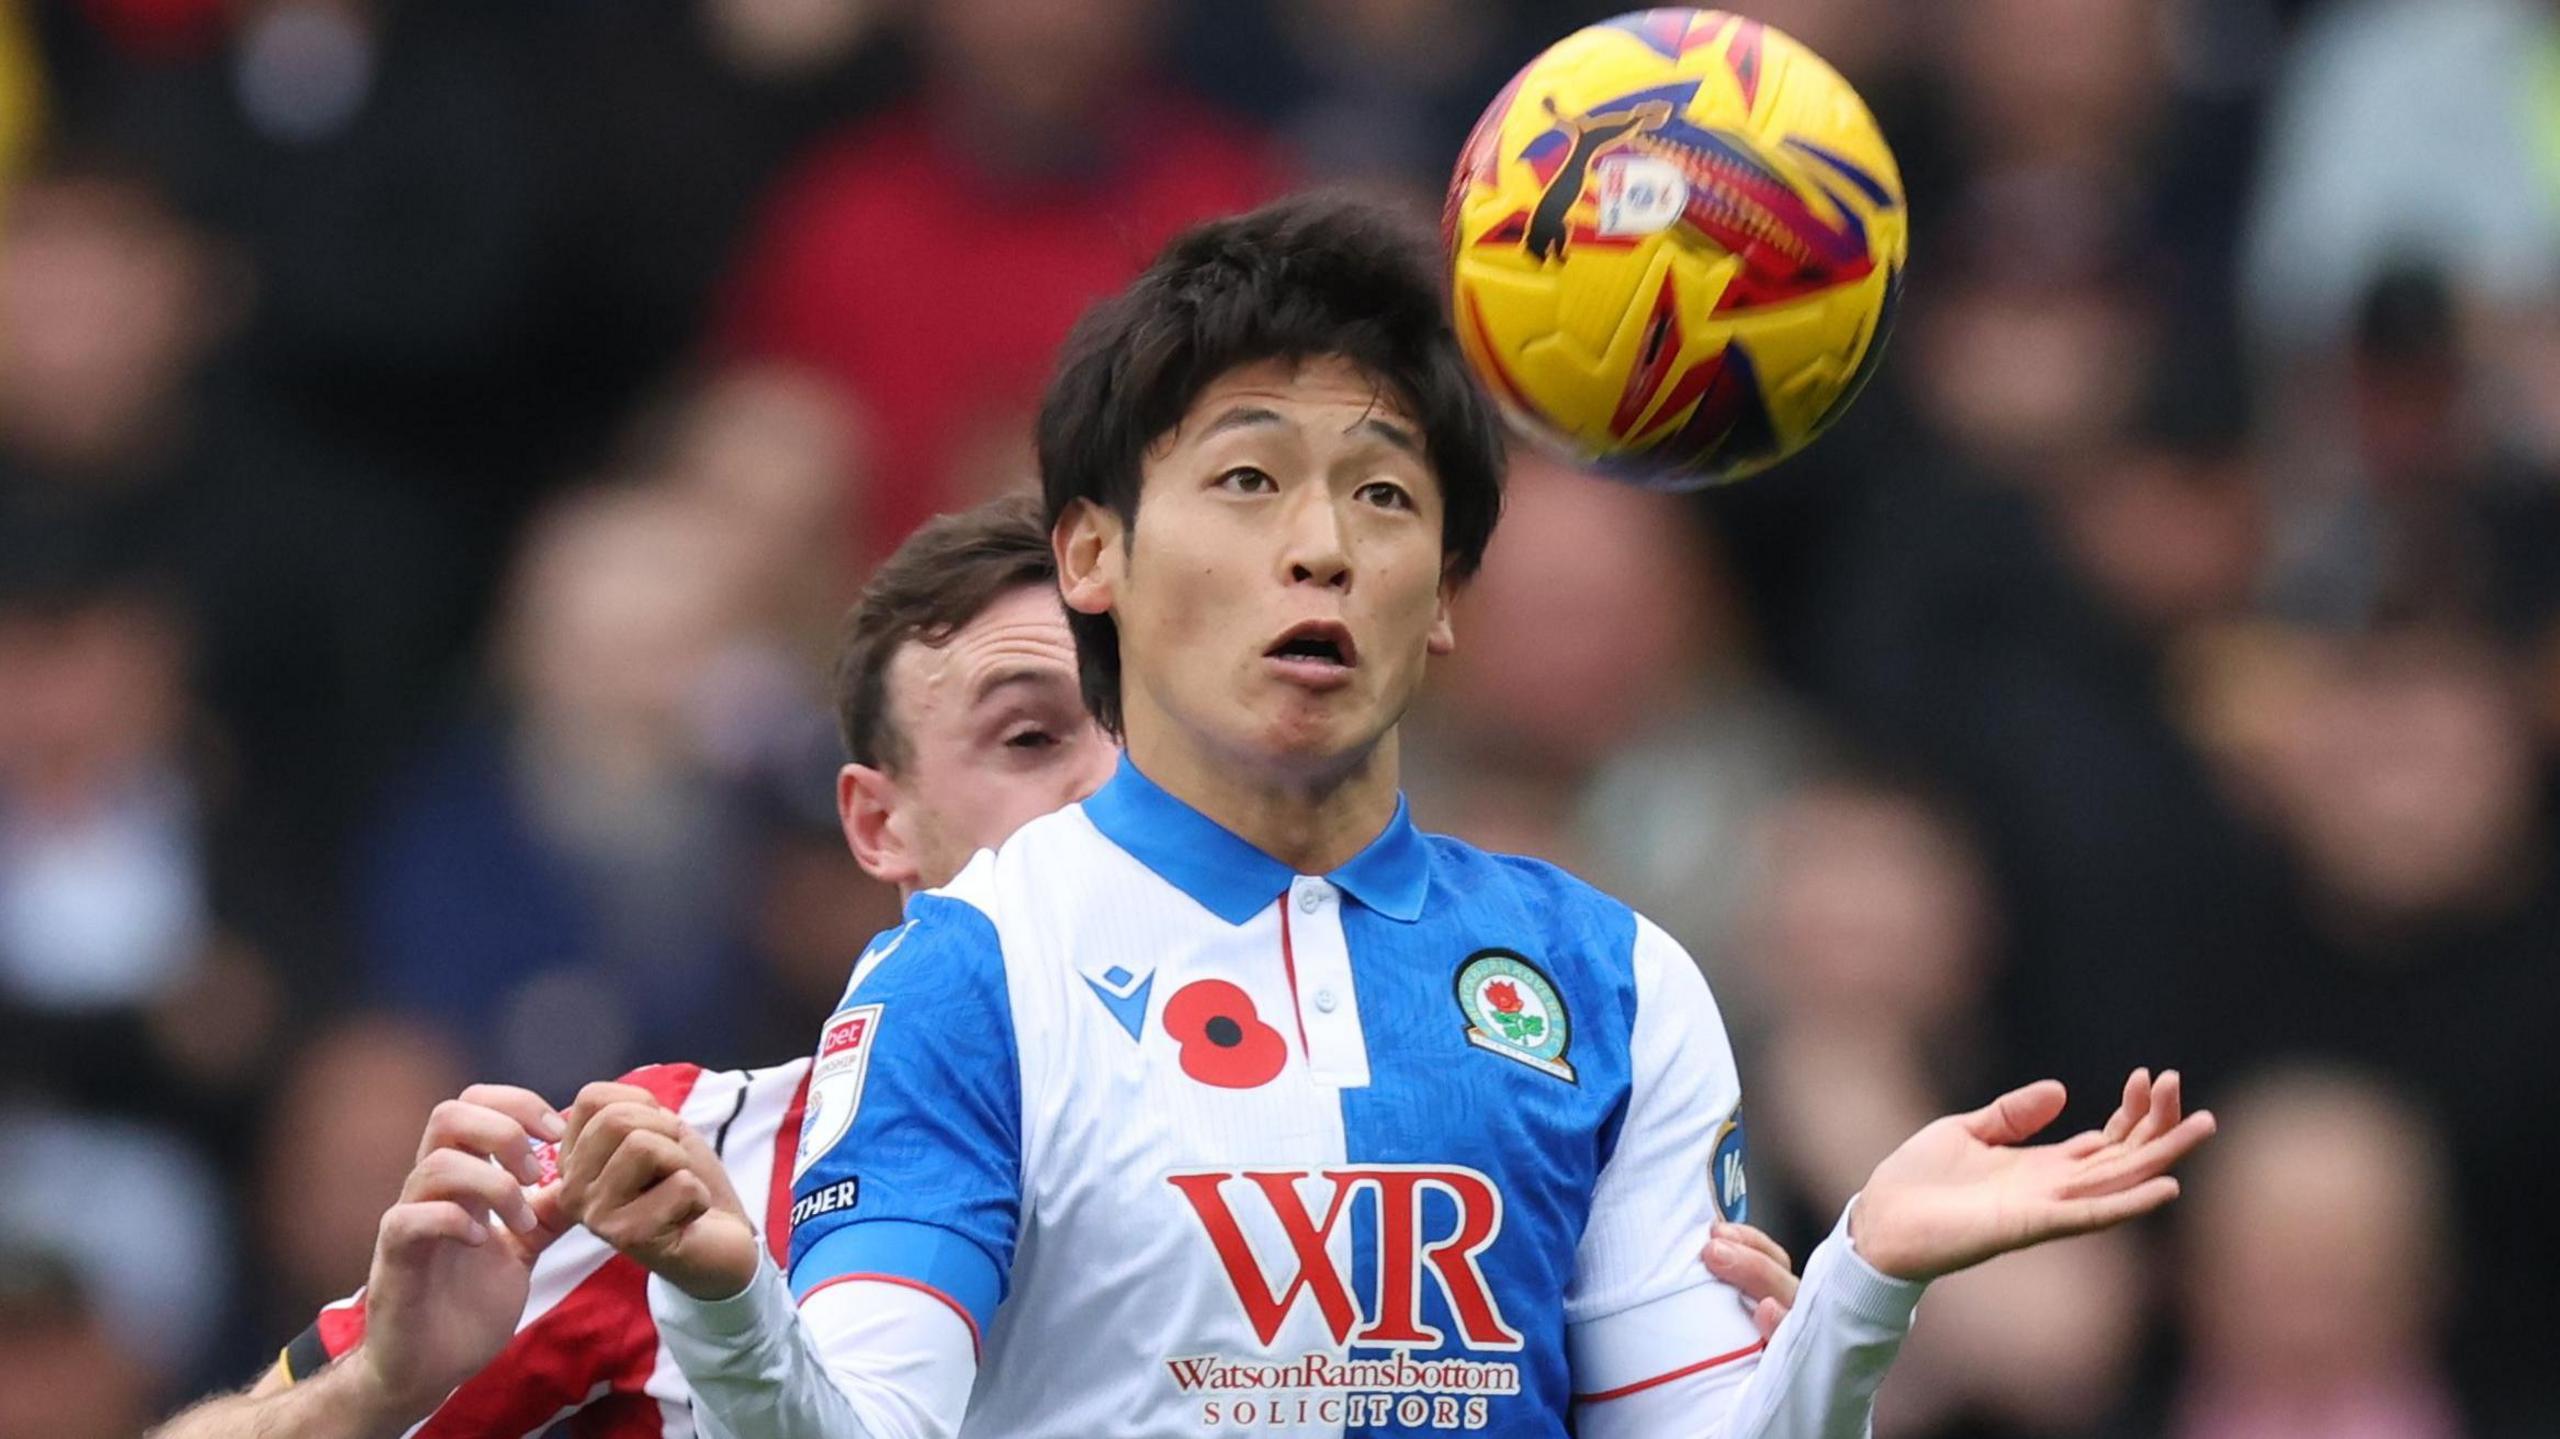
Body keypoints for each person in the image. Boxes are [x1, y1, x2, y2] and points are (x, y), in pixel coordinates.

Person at [560, 194, 2214, 1438]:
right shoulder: (972, 976)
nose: (1323, 547)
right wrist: (724, 1304)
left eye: (1385, 494)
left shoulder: (1614, 984)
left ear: (1441, 605)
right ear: (1092, 562)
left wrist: (1861, 1282)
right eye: (1248, 479)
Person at [150, 493, 1812, 1437]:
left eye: (1152, 737)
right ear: (877, 825)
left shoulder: (1431, 1144)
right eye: (1028, 737)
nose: (1111, 795)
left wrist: (1826, 1362)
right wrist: (382, 1384)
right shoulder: (684, 1168)